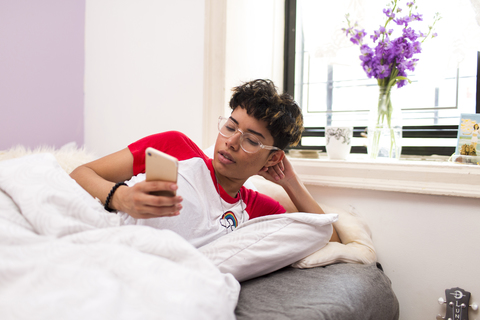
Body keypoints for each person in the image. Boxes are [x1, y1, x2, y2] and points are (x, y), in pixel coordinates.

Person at [70, 79, 340, 247]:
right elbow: (80, 173)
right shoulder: (174, 146)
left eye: (251, 141)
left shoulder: (256, 208)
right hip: (99, 235)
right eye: (230, 127)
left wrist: (290, 182)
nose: (231, 142)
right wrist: (122, 197)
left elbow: (329, 238)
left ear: (272, 158)